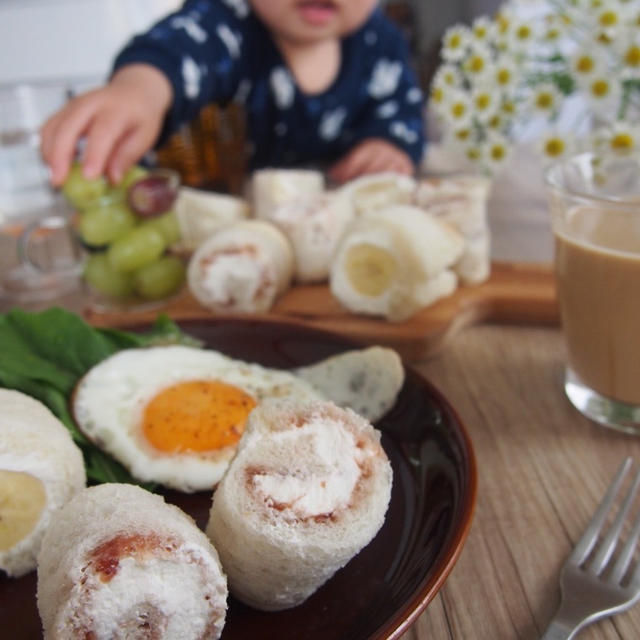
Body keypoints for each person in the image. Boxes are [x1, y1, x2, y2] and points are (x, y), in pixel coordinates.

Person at [40, 0, 426, 188]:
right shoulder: (227, 25)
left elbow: (402, 113)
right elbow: (178, 51)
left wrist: (389, 144)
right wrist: (138, 90)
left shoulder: (382, 44)